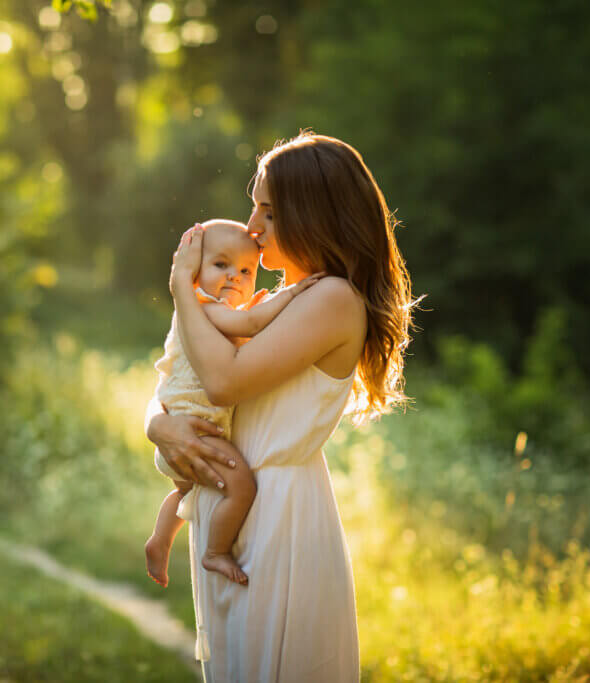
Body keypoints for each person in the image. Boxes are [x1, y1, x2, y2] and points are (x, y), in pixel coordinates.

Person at [146, 131, 416, 681]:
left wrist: (181, 285)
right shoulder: (262, 303)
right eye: (254, 209)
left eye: (268, 211)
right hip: (230, 497)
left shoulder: (333, 299)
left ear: (312, 215)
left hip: (279, 514)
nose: (252, 227)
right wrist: (157, 424)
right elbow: (184, 375)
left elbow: (224, 383)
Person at [144, 219, 321, 589]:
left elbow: (246, 323)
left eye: (245, 270)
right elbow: (252, 325)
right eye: (221, 265)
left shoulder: (212, 312)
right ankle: (216, 552)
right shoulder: (202, 306)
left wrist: (254, 308)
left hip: (181, 429)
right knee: (242, 488)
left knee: (185, 491)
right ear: (193, 271)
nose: (234, 277)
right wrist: (289, 294)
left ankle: (160, 540)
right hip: (191, 431)